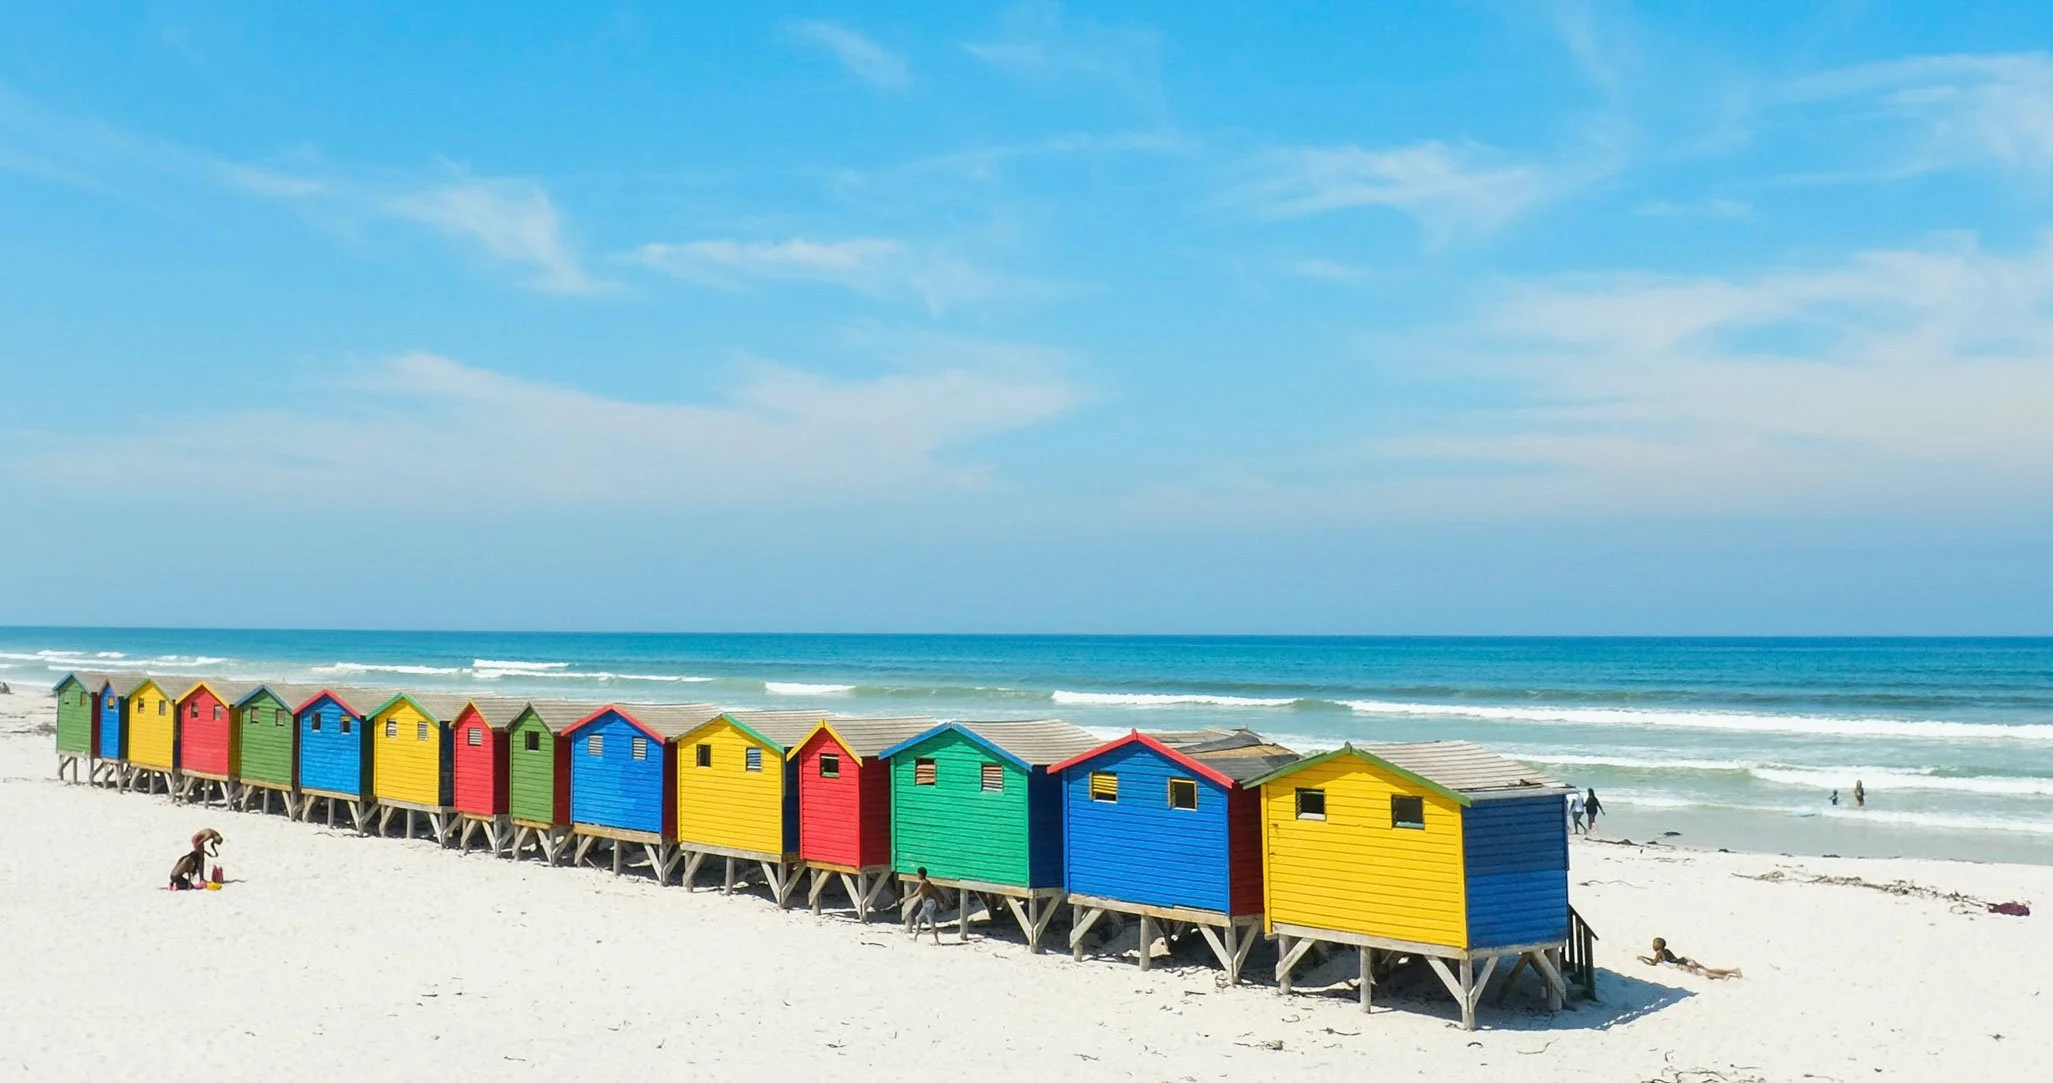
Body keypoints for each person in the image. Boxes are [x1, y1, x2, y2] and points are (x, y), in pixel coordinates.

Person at [1638, 937, 1742, 979]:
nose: (1652, 945)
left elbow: (1653, 963)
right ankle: (1733, 971)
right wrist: (1645, 957)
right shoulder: (1666, 950)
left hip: (1681, 966)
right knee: (1708, 970)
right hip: (1685, 960)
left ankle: (1724, 976)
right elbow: (1659, 960)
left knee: (1704, 974)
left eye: (1654, 943)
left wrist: (1642, 959)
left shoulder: (1659, 953)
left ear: (1657, 946)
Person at [905, 867, 943, 943]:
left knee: (925, 920)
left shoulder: (923, 883)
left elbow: (915, 893)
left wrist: (904, 899)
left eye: (917, 874)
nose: (916, 875)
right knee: (922, 920)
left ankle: (936, 941)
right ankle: (916, 938)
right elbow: (934, 892)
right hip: (930, 903)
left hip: (928, 904)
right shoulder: (927, 882)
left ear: (920, 874)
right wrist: (939, 902)